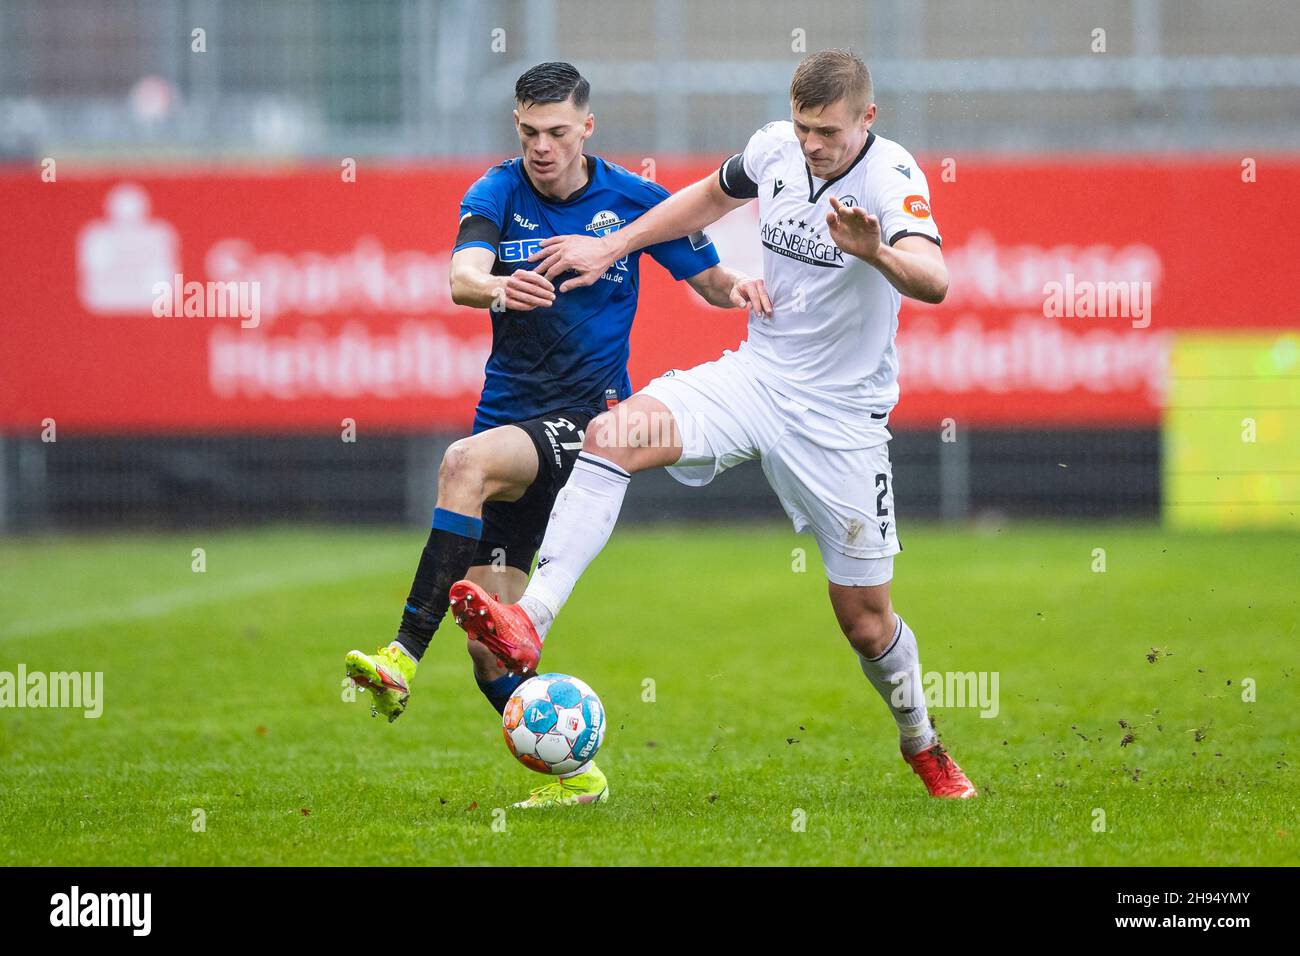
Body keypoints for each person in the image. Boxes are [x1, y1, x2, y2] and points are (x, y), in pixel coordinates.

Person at [450, 50, 977, 801]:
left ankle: (922, 743)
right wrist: (613, 243)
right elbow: (703, 199)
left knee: (865, 622)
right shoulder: (773, 150)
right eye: (802, 127)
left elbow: (936, 279)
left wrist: (877, 252)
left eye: (827, 130)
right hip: (757, 378)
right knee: (611, 436)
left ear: (867, 118)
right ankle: (530, 619)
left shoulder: (894, 179)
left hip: (840, 419)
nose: (812, 145)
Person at [345, 61, 760, 809]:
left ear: (587, 128)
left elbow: (711, 283)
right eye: (530, 132)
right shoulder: (497, 192)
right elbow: (462, 276)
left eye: (558, 132)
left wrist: (755, 291)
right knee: (488, 648)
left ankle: (400, 656)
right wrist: (501, 286)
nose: (543, 146)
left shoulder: (632, 203)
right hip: (511, 420)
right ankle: (580, 776)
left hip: (591, 426)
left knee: (461, 464)